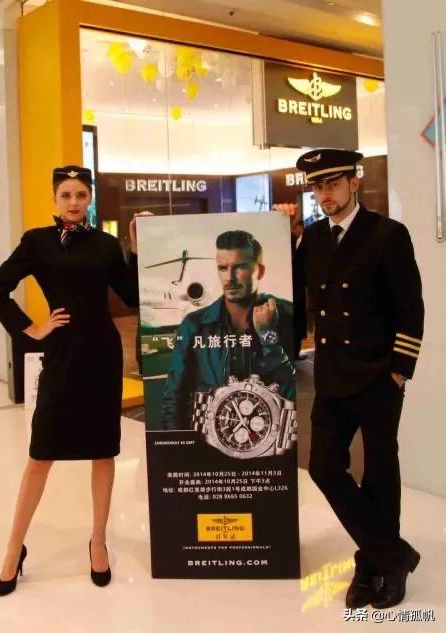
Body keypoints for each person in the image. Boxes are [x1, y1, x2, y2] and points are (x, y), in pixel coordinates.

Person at [0, 165, 145, 595]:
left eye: (81, 195)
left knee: (103, 451)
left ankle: (98, 541)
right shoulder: (36, 241)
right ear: (55, 198)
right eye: (66, 195)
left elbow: (132, 296)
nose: (74, 202)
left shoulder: (105, 244)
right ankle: (14, 549)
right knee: (41, 454)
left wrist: (136, 247)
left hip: (102, 356)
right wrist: (31, 329)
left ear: (89, 199)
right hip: (62, 356)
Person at [274, 148, 424, 610]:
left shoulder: (387, 234)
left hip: (378, 375)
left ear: (354, 182)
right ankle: (392, 556)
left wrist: (399, 370)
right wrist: (281, 238)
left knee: (380, 470)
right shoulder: (313, 238)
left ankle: (371, 564)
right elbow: (293, 299)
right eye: (318, 187)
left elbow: (411, 307)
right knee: (323, 467)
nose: (325, 195)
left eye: (333, 184)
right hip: (332, 374)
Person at [161, 229, 295, 430]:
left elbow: (292, 393)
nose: (229, 278)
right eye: (223, 268)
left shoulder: (286, 315)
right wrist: (177, 443)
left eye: (240, 267)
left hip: (267, 438)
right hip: (207, 438)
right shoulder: (194, 325)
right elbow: (173, 398)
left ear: (260, 271)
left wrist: (269, 339)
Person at [291, 219, 307, 360]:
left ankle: (295, 352)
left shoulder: (302, 240)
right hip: (295, 287)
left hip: (299, 287)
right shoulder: (291, 240)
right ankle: (294, 352)